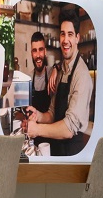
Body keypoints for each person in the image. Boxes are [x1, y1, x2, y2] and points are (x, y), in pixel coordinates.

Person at [24, 10, 93, 156]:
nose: (65, 40)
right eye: (62, 34)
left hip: (72, 154)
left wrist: (36, 129)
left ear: (77, 38)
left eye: (70, 34)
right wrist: (39, 116)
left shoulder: (82, 75)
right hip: (56, 150)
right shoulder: (60, 70)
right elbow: (52, 113)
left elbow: (68, 129)